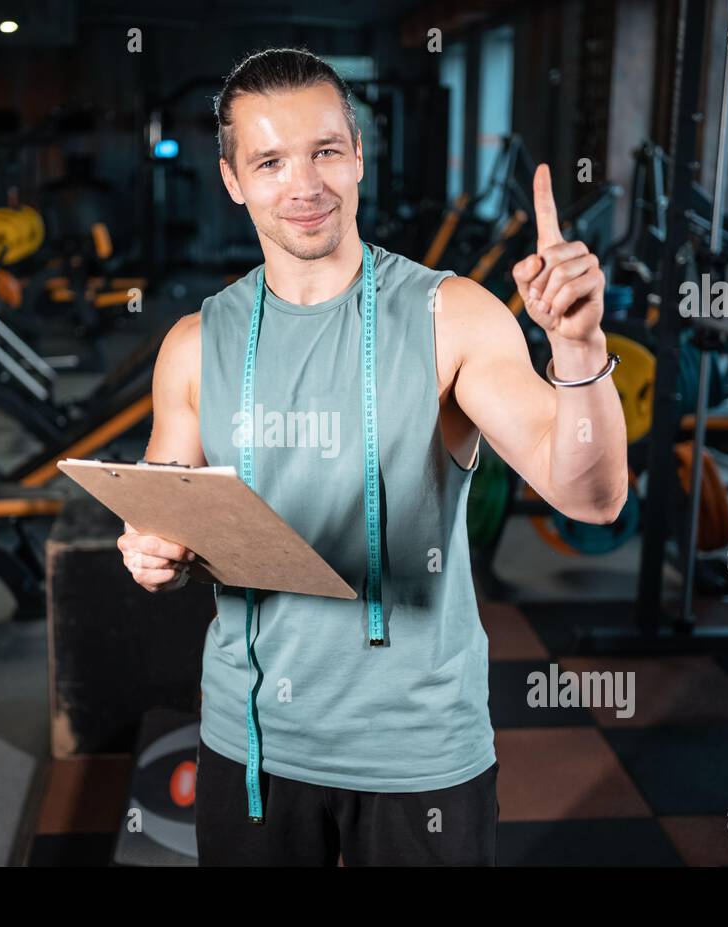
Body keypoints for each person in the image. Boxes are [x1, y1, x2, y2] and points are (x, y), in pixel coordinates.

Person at [117, 47, 628, 865]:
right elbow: (169, 510)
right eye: (271, 161)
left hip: (420, 752)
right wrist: (153, 553)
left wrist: (577, 349)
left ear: (357, 154)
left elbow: (591, 497)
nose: (305, 185)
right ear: (233, 180)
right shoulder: (193, 343)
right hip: (252, 741)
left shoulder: (451, 316)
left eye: (325, 151)